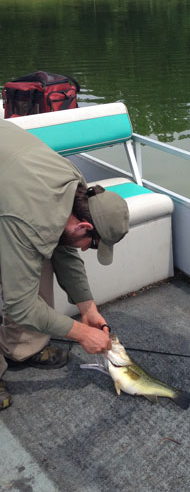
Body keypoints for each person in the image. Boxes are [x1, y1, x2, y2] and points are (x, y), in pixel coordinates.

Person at [0, 118, 130, 410]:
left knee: (45, 246)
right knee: (23, 265)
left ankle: (22, 347)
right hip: (14, 205)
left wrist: (88, 308)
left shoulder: (77, 187)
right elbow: (21, 305)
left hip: (11, 191)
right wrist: (81, 333)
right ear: (85, 226)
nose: (86, 250)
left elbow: (63, 247)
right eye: (92, 245)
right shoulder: (29, 220)